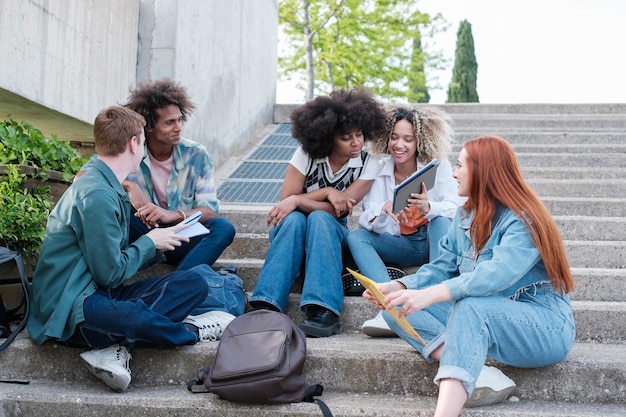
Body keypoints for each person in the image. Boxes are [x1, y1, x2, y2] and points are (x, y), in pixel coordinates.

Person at [28, 106, 240, 393]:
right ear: (133, 143)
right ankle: (190, 331)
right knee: (135, 318)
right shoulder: (97, 194)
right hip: (70, 306)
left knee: (192, 284)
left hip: (98, 292)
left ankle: (112, 342)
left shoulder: (107, 185)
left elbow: (109, 276)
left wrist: (156, 240)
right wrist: (150, 242)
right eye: (141, 141)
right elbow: (110, 274)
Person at [364, 135, 576, 416]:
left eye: (461, 165)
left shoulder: (524, 220)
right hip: (491, 317)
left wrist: (430, 295)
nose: (453, 173)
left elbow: (495, 275)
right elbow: (441, 267)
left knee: (469, 307)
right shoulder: (464, 216)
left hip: (544, 326)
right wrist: (396, 285)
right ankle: (476, 369)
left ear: (484, 171)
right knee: (396, 307)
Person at [248, 88, 386, 337]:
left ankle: (323, 310)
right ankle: (266, 305)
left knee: (321, 218)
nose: (356, 142)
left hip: (330, 239)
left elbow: (339, 210)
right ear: (328, 137)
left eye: (359, 135)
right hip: (292, 237)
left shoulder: (368, 164)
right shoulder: (305, 155)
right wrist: (326, 193)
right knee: (294, 221)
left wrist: (307, 199)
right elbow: (285, 205)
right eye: (346, 137)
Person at [78, 78, 235, 271]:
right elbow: (83, 178)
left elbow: (209, 210)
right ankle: (178, 284)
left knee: (224, 228)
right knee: (122, 209)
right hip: (141, 235)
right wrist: (129, 186)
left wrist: (172, 215)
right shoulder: (130, 148)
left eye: (179, 120)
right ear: (149, 126)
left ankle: (176, 283)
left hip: (180, 235)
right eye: (169, 122)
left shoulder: (196, 155)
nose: (178, 127)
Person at [347, 106, 465, 337]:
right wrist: (384, 209)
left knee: (441, 220)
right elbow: (365, 217)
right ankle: (389, 305)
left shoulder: (438, 167)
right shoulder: (379, 169)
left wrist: (429, 207)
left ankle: (438, 303)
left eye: (407, 139)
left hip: (436, 241)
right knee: (356, 236)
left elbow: (458, 207)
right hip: (403, 244)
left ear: (419, 141)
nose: (399, 145)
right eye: (394, 137)